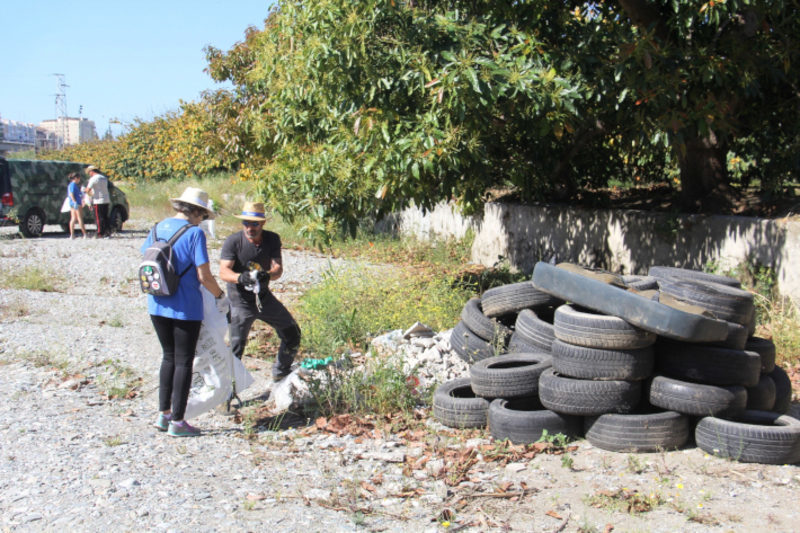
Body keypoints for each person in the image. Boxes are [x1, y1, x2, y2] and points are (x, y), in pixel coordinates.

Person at [141, 187, 229, 437]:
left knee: (168, 357)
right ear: (198, 212)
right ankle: (178, 422)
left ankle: (163, 414)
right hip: (185, 308)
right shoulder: (194, 234)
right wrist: (220, 297)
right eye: (203, 216)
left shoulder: (157, 228)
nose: (203, 220)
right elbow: (204, 276)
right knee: (183, 361)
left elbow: (146, 258)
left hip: (156, 303)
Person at [219, 201, 301, 380]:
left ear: (262, 223)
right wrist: (240, 278)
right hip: (239, 301)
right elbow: (223, 271)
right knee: (236, 349)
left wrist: (268, 275)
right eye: (246, 223)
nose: (250, 227)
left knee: (292, 333)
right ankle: (226, 396)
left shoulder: (272, 239)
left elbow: (278, 269)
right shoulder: (233, 241)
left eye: (254, 223)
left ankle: (281, 373)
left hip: (263, 298)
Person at [85, 164, 110, 238]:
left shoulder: (93, 179)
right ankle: (107, 232)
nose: (89, 174)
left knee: (98, 218)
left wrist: (84, 191)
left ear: (92, 171)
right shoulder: (103, 178)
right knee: (105, 217)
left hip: (98, 200)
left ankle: (100, 233)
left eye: (89, 172)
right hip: (106, 199)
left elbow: (88, 189)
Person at [66, 172, 87, 239]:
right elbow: (71, 194)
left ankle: (72, 235)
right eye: (79, 178)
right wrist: (75, 202)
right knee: (79, 218)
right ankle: (84, 234)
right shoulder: (73, 185)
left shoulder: (71, 185)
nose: (79, 180)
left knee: (73, 218)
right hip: (76, 203)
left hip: (72, 203)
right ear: (75, 178)